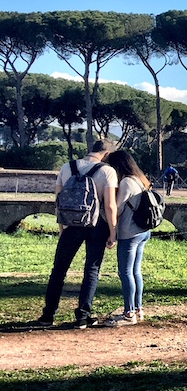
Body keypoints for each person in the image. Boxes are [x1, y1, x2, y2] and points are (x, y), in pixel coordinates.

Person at [37, 140, 119, 329]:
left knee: (59, 269)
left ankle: (48, 315)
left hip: (71, 224)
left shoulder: (67, 167)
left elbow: (58, 200)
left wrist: (62, 227)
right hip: (96, 224)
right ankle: (82, 315)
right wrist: (113, 232)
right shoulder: (107, 171)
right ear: (107, 154)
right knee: (91, 270)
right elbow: (110, 205)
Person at [103, 150, 152, 327]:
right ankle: (138, 308)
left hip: (129, 233)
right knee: (135, 271)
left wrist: (105, 218)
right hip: (143, 231)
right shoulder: (140, 180)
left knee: (125, 272)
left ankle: (129, 313)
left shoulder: (126, 182)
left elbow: (117, 208)